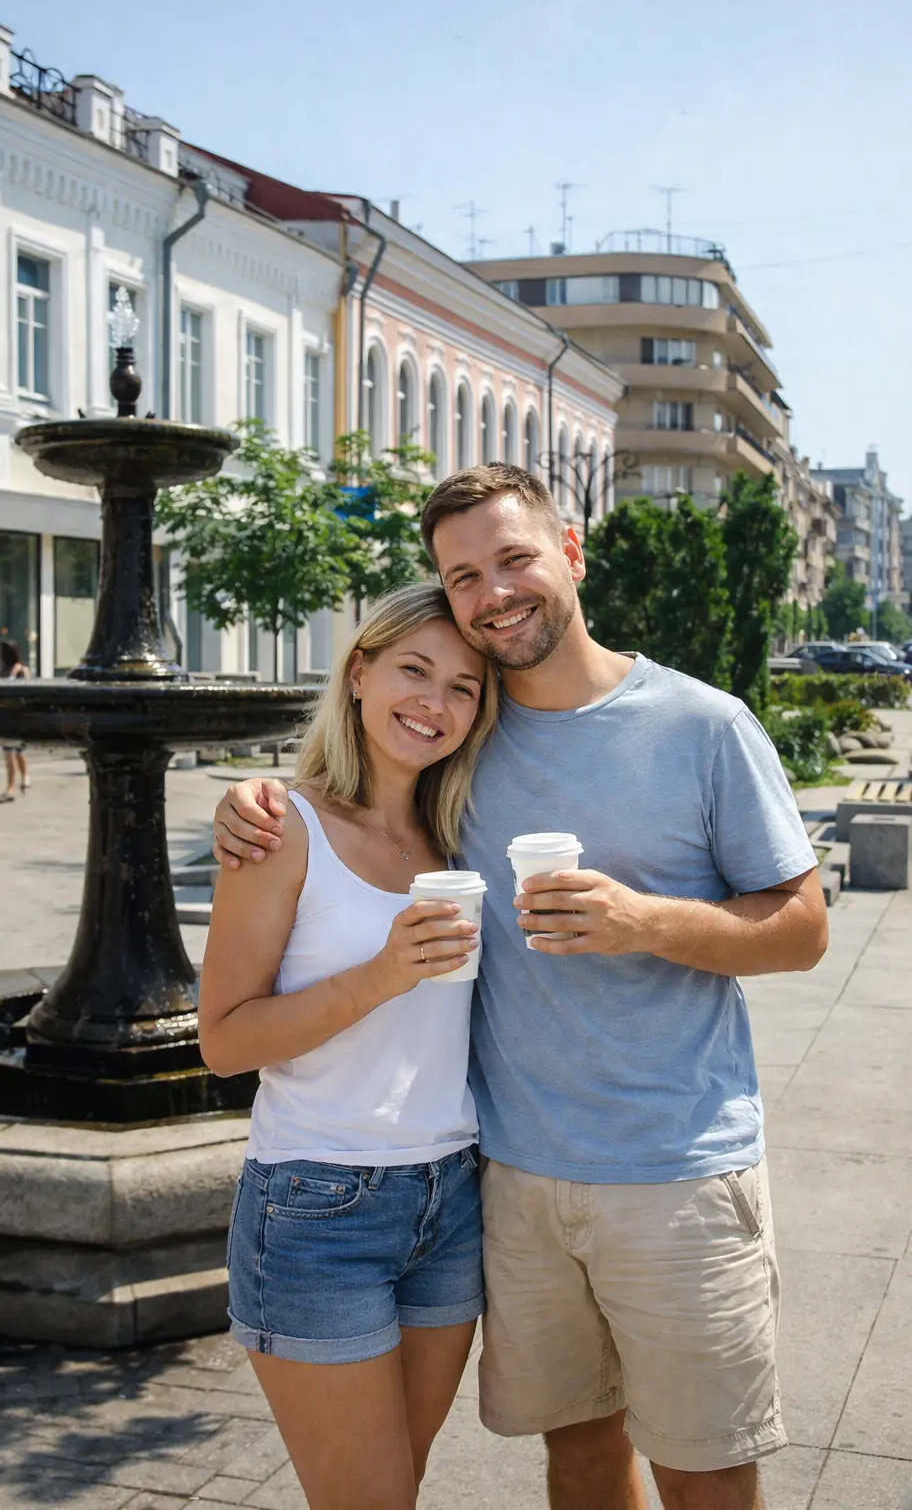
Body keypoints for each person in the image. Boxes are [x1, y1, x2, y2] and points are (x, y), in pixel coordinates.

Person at [212, 463, 829, 1510]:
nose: (492, 592)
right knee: (577, 1455)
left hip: (673, 1169)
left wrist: (646, 921)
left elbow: (804, 927)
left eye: (513, 558)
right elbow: (360, 777)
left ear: (570, 553)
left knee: (707, 1467)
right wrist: (256, 796)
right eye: (462, 576)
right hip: (506, 1181)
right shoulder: (467, 742)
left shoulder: (701, 725)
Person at [199, 582, 499, 1510]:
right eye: (414, 669)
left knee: (391, 1494)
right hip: (315, 1208)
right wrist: (383, 972)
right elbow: (223, 1040)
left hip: (451, 1201)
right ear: (360, 672)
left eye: (463, 688)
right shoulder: (282, 828)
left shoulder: (461, 832)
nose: (434, 703)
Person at [0, 639, 30, 801]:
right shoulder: (2, 671)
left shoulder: (20, 670)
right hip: (5, 715)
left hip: (17, 716)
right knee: (13, 752)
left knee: (14, 752)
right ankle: (20, 780)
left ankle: (13, 785)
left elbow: (27, 690)